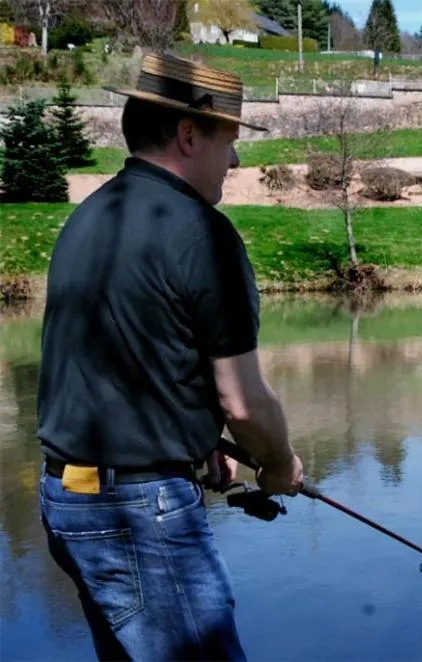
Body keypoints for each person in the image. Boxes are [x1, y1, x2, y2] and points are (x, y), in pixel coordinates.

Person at [35, 53, 304, 661]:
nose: (234, 161)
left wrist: (192, 438)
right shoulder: (204, 235)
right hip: (138, 515)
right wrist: (280, 464)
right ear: (189, 135)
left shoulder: (88, 218)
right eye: (228, 141)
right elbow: (244, 401)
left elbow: (124, 357)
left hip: (67, 499)